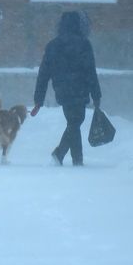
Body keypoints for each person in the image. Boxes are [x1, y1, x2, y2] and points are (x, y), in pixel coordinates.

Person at [30, 11, 101, 166]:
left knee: (73, 122)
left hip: (62, 90)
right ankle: (68, 157)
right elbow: (91, 71)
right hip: (80, 89)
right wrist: (96, 95)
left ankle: (67, 156)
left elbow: (43, 74)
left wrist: (38, 99)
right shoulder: (84, 44)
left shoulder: (53, 45)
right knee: (75, 122)